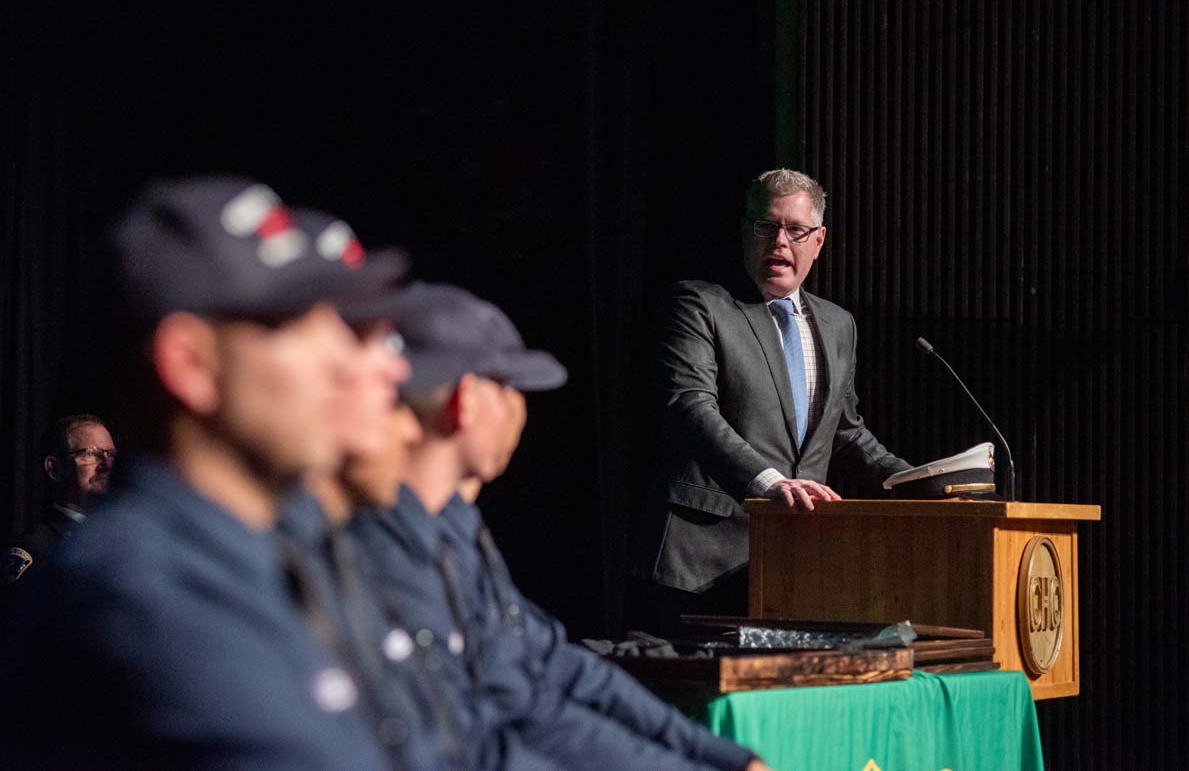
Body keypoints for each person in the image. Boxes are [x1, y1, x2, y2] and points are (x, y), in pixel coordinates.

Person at [0, 177, 408, 771]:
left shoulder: (260, 553)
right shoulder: (140, 599)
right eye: (293, 326)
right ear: (191, 363)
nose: (346, 363)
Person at [350, 282, 773, 771]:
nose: (519, 409)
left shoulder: (456, 531)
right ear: (465, 402)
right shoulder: (381, 550)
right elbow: (482, 738)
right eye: (509, 387)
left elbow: (557, 675)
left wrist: (721, 757)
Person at [631, 168, 911, 627]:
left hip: (799, 563)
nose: (780, 241)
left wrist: (922, 486)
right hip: (700, 562)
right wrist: (768, 483)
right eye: (766, 226)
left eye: (796, 230)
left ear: (818, 241)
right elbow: (691, 407)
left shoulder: (839, 325)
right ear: (747, 232)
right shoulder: (701, 305)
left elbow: (846, 435)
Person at [1, 413, 116, 588]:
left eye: (110, 454)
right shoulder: (37, 550)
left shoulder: (131, 537)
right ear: (54, 468)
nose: (106, 465)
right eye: (91, 453)